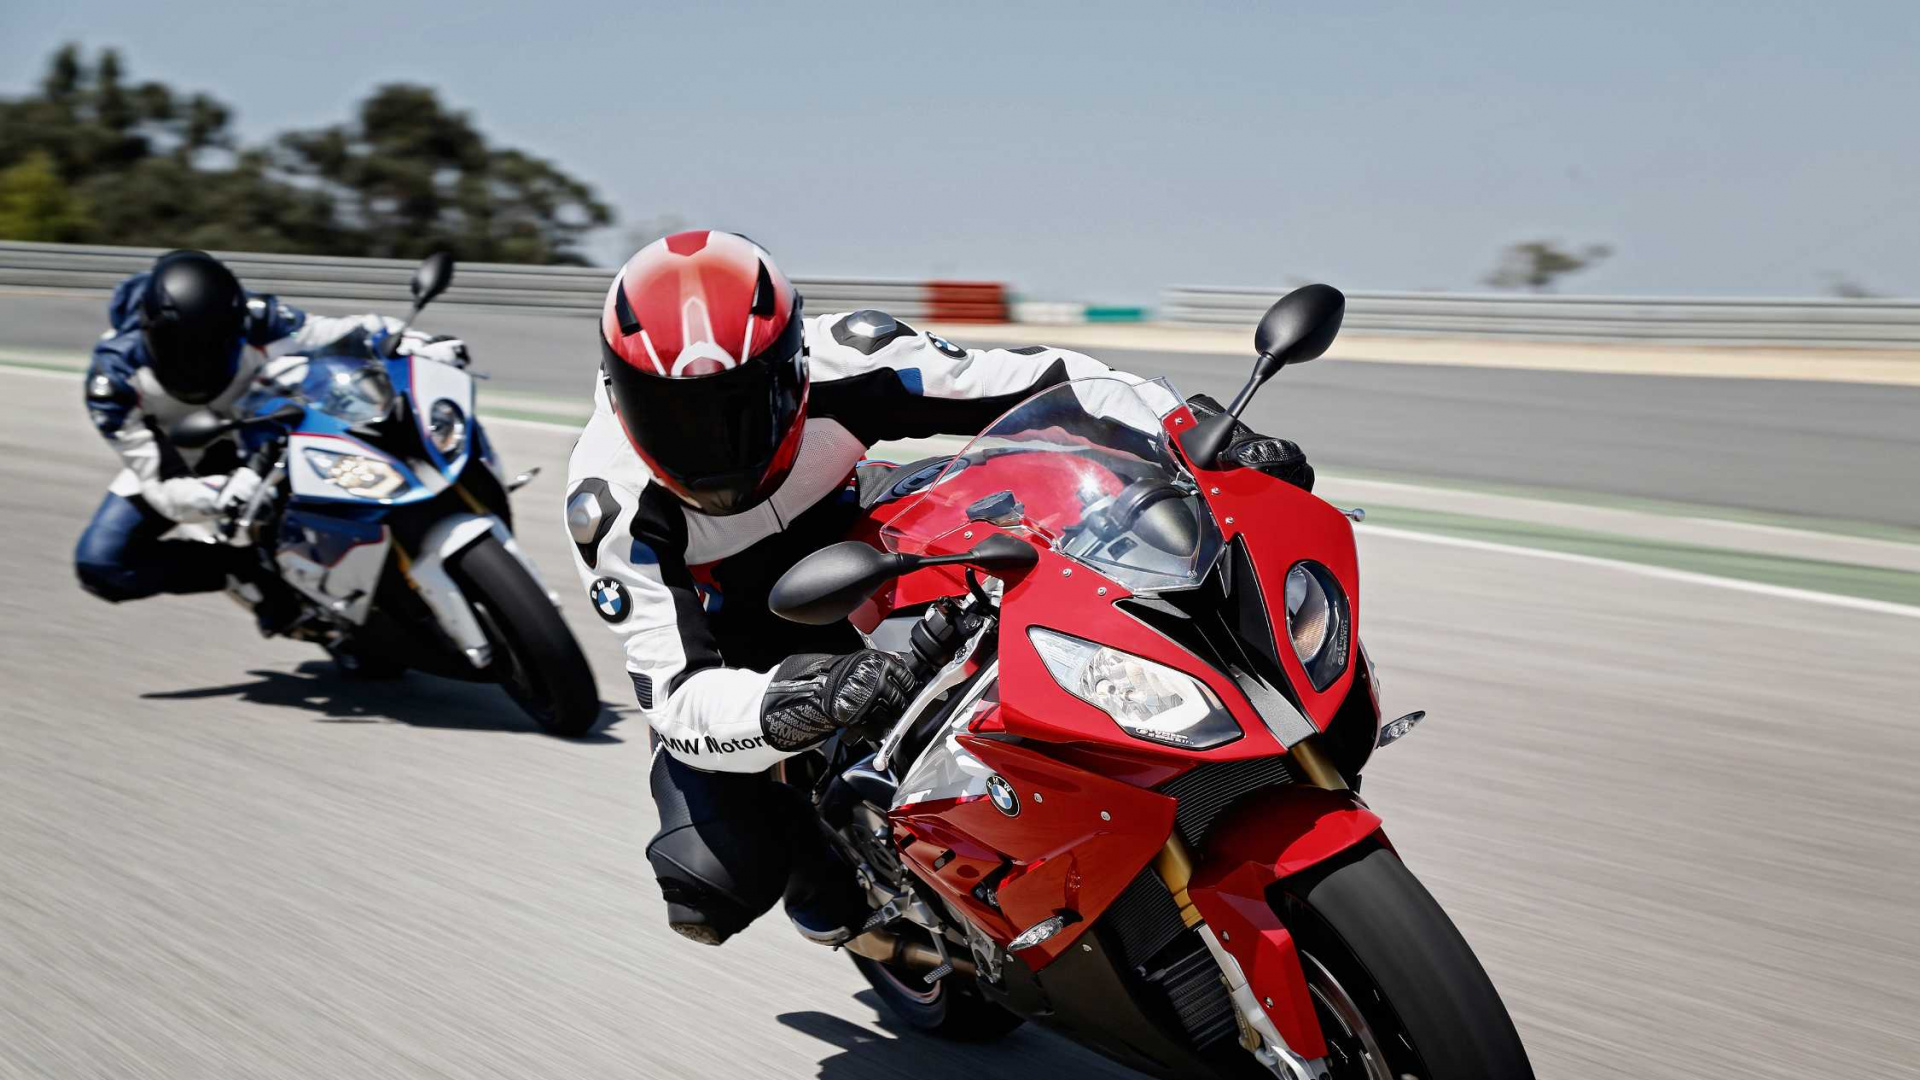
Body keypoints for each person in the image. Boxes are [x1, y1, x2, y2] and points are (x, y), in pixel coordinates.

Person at [566, 229, 1313, 947]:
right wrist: (798, 700)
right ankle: (842, 888)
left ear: (793, 370)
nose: (711, 444)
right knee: (715, 878)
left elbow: (1058, 382)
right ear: (617, 392)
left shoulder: (852, 357)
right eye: (674, 417)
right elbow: (676, 696)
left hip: (861, 519)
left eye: (739, 409)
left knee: (1049, 499)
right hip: (735, 626)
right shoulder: (609, 501)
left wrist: (1196, 433)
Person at [75, 249, 469, 626]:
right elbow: (160, 483)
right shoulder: (114, 383)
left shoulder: (257, 316)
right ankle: (245, 571)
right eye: (186, 348)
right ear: (150, 333)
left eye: (215, 342)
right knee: (102, 563)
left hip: (267, 425)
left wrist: (415, 342)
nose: (201, 357)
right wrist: (218, 494)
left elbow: (341, 333)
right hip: (184, 461)